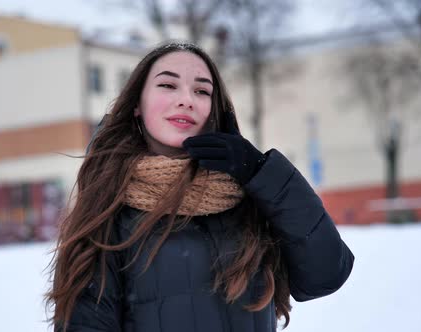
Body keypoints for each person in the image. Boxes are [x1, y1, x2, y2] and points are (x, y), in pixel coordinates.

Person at [46, 42, 354, 332]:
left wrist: (260, 171)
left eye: (202, 91)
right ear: (137, 105)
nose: (186, 99)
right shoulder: (106, 213)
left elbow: (326, 274)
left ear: (215, 109)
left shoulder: (251, 200)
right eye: (168, 85)